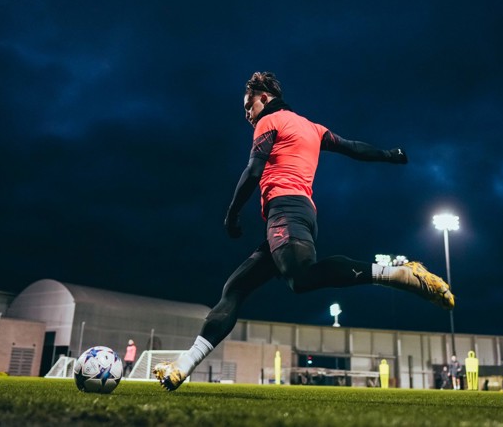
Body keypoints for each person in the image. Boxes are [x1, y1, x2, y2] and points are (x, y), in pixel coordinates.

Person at [153, 71, 456, 391]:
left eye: (248, 106)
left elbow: (254, 169)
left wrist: (231, 214)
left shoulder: (269, 122)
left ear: (264, 99)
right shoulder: (313, 127)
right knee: (236, 287)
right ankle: (183, 366)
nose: (247, 114)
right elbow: (352, 147)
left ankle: (397, 274)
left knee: (301, 276)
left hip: (287, 211)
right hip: (295, 215)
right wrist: (388, 155)